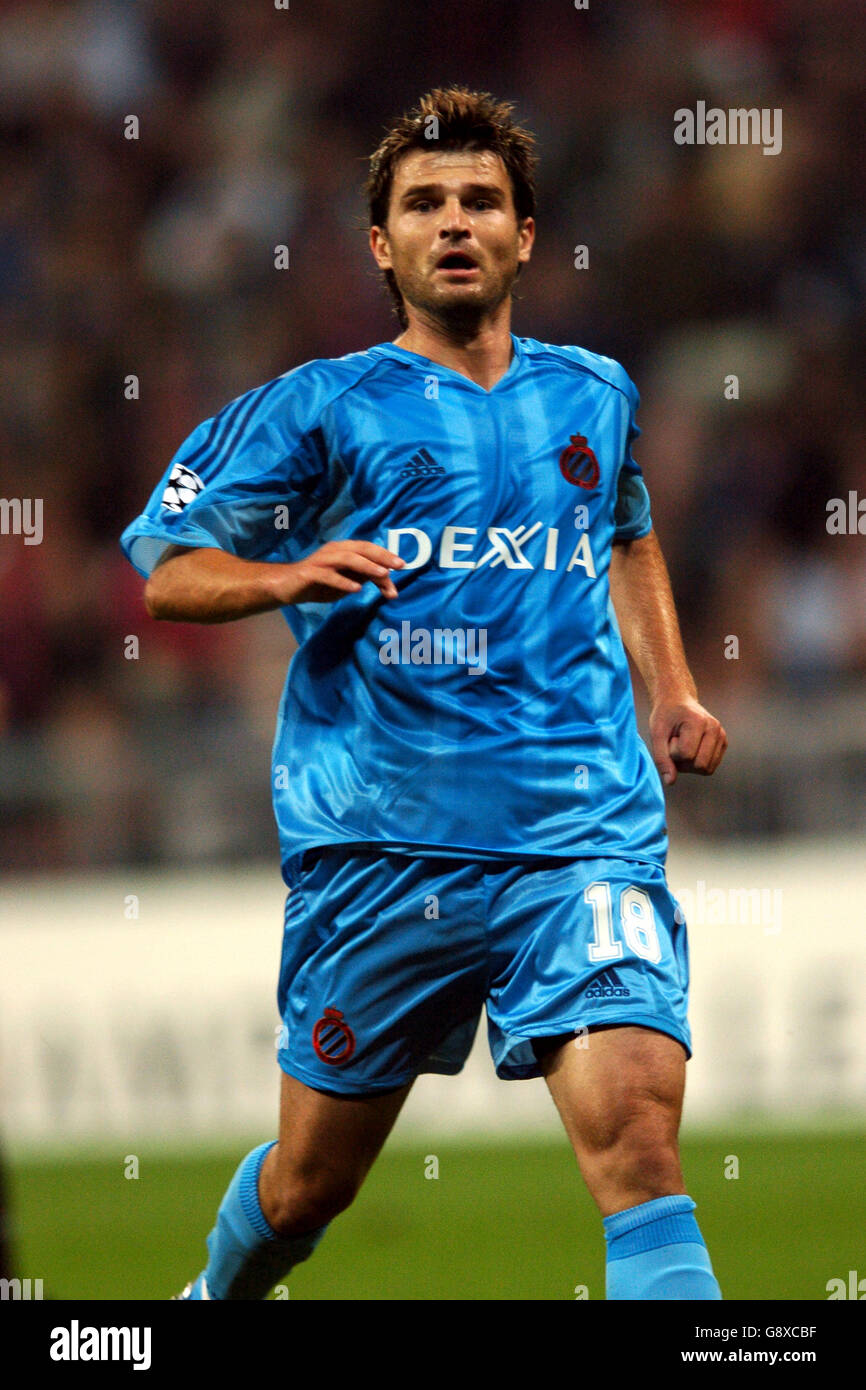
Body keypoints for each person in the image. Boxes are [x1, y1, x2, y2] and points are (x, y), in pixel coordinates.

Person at [121, 86, 728, 1301]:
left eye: (479, 201)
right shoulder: (317, 410)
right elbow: (167, 573)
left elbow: (626, 529)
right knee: (308, 1188)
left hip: (578, 836)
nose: (453, 221)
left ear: (524, 236)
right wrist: (284, 574)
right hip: (383, 849)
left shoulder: (593, 395)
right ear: (379, 245)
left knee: (641, 1145)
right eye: (424, 203)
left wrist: (672, 683)